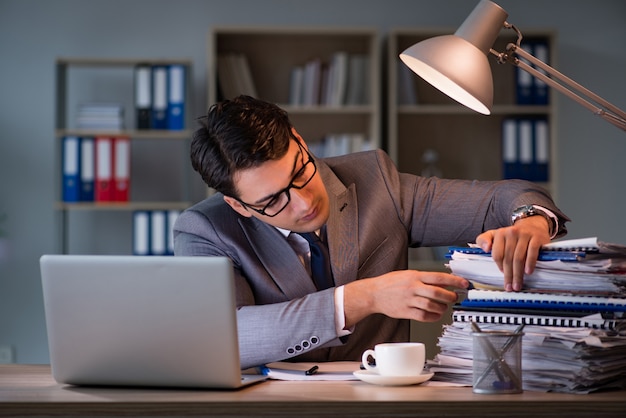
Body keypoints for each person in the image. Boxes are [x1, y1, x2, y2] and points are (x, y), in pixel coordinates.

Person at [174, 95, 569, 369]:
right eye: (274, 201)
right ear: (239, 206)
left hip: (384, 405)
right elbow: (226, 336)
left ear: (299, 140)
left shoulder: (376, 181)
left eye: (300, 171)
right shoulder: (205, 230)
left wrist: (530, 219)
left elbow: (501, 199)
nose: (304, 201)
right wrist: (364, 297)